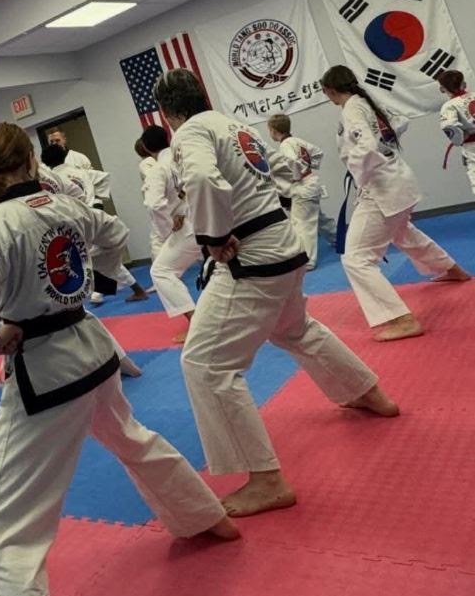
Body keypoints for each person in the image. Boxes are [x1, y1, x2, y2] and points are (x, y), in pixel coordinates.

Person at [0, 122, 238, 596]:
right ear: (31, 158)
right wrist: (89, 278)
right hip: (93, 349)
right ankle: (205, 518)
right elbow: (118, 231)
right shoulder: (68, 203)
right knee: (132, 438)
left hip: (48, 373)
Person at [154, 68, 400, 518]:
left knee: (205, 364)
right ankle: (366, 392)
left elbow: (206, 183)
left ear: (168, 113)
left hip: (253, 256)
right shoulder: (234, 125)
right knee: (295, 330)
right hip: (284, 243)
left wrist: (212, 237)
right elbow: (286, 166)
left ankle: (264, 479)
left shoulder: (190, 132)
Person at [320, 65, 469, 341]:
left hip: (381, 189)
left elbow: (365, 148)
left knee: (356, 258)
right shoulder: (367, 101)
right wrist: (381, 151)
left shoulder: (352, 108)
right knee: (402, 232)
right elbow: (400, 122)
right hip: (399, 181)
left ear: (329, 90)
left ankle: (400, 319)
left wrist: (361, 174)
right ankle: (452, 269)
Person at [42, 143, 149, 306]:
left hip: (76, 223)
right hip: (93, 217)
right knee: (93, 260)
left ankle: (98, 293)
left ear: (46, 162)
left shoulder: (52, 180)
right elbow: (103, 180)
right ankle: (129, 289)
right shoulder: (81, 172)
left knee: (82, 261)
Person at [141, 125, 200, 342]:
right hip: (201, 217)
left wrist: (167, 230)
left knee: (160, 272)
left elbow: (154, 204)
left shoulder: (157, 169)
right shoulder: (178, 160)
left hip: (186, 226)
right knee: (220, 268)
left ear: (146, 148)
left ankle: (196, 324)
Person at [266, 114, 324, 269]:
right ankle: (337, 240)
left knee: (302, 224)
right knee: (319, 217)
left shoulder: (285, 145)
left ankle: (309, 261)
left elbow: (292, 161)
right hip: (312, 182)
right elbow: (318, 153)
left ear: (273, 130)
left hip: (303, 185)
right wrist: (309, 167)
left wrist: (297, 177)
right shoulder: (297, 141)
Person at [436, 69, 475, 195]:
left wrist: (460, 138)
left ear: (442, 88)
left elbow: (449, 126)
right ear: (464, 84)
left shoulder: (449, 106)